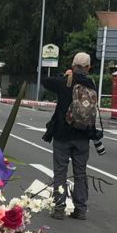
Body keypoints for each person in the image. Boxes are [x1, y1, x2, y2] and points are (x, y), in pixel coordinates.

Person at [41, 52, 97, 220]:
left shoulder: (65, 81)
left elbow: (45, 81)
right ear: (88, 67)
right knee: (80, 172)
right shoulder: (91, 84)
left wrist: (63, 74)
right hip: (83, 136)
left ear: (73, 65)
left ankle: (59, 208)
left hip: (62, 135)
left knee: (60, 172)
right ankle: (80, 209)